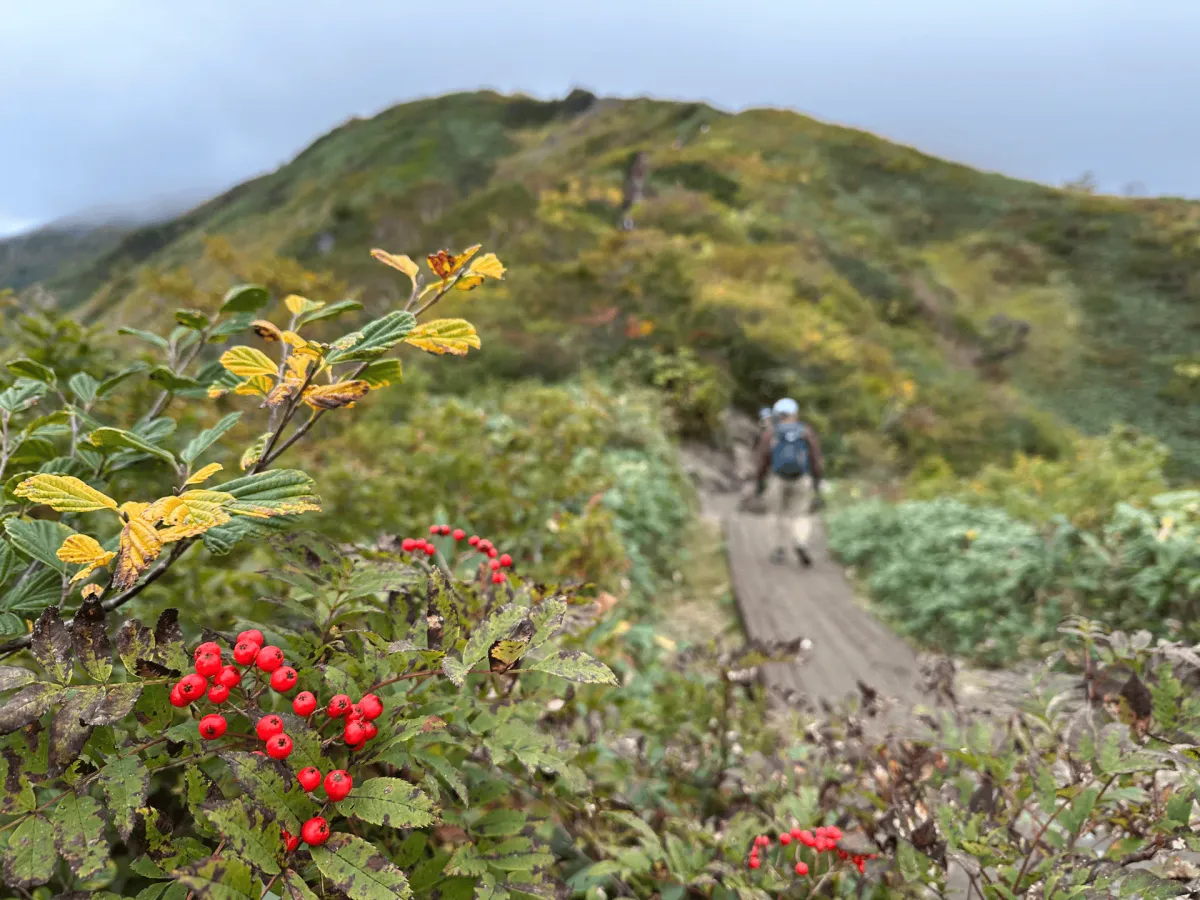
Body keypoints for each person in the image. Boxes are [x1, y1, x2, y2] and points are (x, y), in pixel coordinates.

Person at [753, 398, 824, 567]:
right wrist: (816, 479)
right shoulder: (805, 431)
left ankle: (779, 548)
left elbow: (762, 460)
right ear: (795, 414)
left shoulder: (771, 433)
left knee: (776, 515)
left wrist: (760, 481)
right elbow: (815, 457)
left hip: (777, 479)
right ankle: (800, 543)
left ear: (778, 414)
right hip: (801, 478)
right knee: (800, 515)